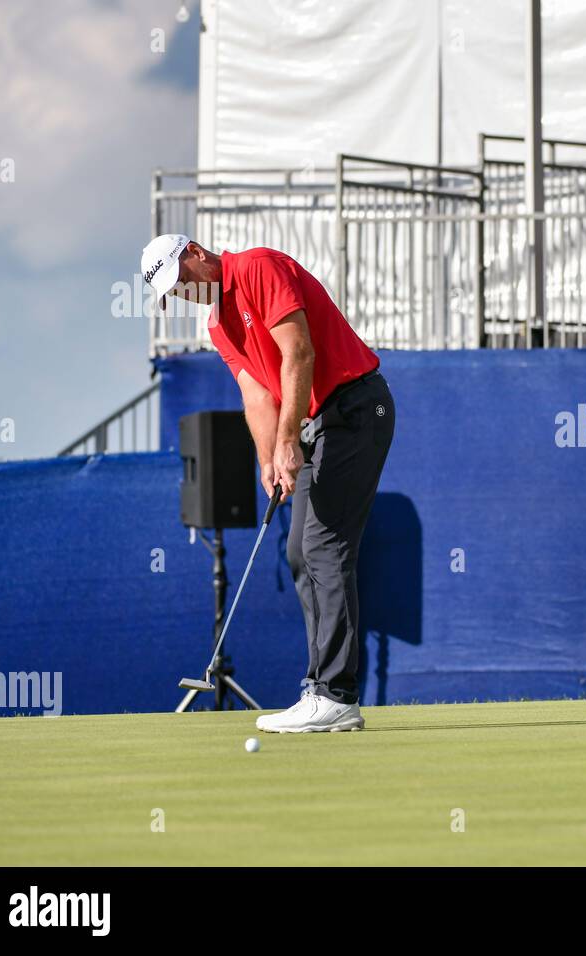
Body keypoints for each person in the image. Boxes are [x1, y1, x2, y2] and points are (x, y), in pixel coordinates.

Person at [141, 236, 394, 733]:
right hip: (317, 424)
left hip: (356, 408)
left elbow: (299, 353)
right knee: (301, 550)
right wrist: (268, 459)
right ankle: (322, 690)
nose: (186, 291)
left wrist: (286, 440)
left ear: (194, 252)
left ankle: (335, 693)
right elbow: (256, 395)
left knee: (323, 546)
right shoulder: (218, 326)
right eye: (175, 292)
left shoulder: (256, 268)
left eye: (183, 278)